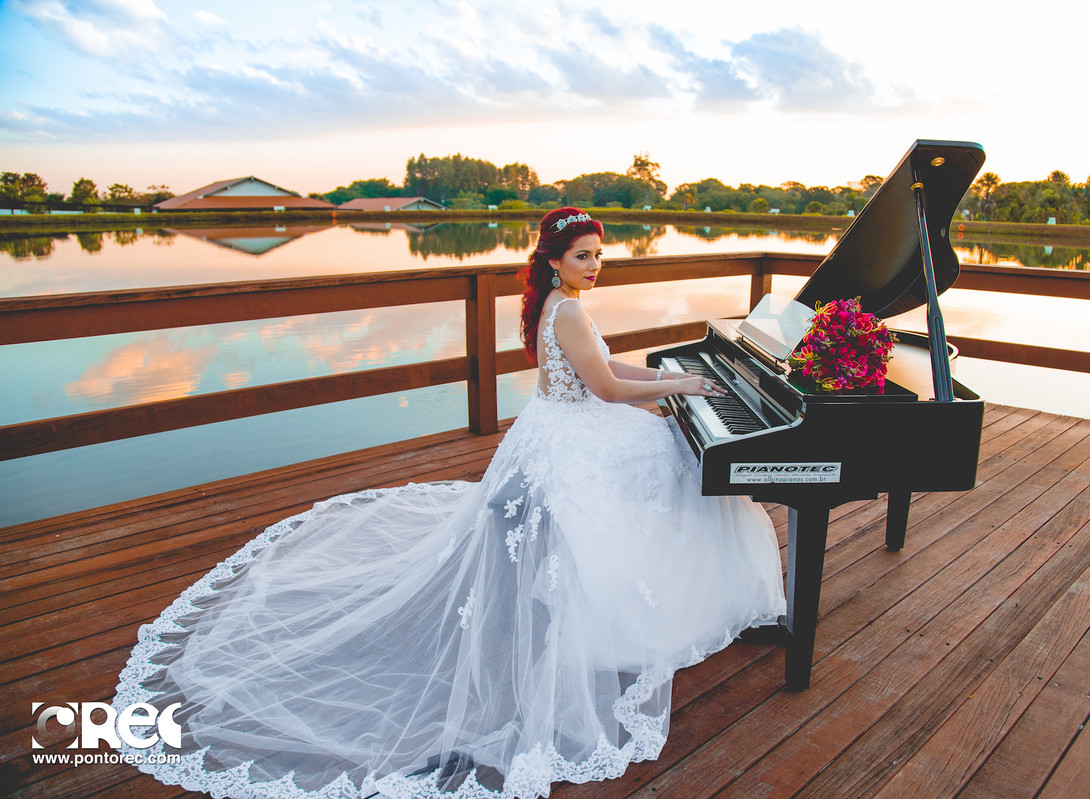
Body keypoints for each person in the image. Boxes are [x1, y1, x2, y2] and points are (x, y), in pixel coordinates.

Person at [114, 208, 785, 799]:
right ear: (555, 260)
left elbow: (606, 373)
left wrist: (672, 378)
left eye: (600, 255)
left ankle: (650, 597)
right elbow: (607, 390)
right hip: (582, 435)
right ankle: (668, 609)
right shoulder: (571, 309)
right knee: (681, 463)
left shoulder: (559, 304)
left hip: (556, 428)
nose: (595, 266)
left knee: (675, 446)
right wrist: (686, 385)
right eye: (583, 256)